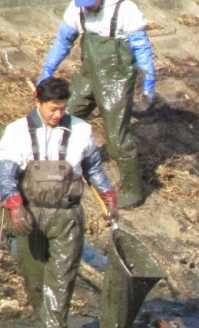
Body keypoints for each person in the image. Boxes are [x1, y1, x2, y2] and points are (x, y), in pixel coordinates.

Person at [0, 77, 117, 328]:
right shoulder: (17, 132)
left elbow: (94, 169)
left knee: (62, 279)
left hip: (67, 216)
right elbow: (4, 175)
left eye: (63, 108)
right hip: (28, 214)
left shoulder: (81, 130)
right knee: (35, 279)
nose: (58, 114)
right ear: (38, 103)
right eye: (53, 108)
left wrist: (109, 196)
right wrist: (14, 205)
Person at [38, 0, 157, 209]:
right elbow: (63, 41)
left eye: (91, 4)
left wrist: (148, 83)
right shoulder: (76, 9)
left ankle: (133, 190)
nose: (87, 8)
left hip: (116, 79)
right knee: (64, 116)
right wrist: (47, 70)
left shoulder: (124, 10)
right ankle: (56, 166)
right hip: (89, 74)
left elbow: (141, 47)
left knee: (115, 139)